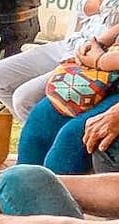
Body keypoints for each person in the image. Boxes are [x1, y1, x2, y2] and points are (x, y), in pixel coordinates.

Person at [16, 23, 119, 174]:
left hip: (109, 71)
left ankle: (52, 187)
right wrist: (97, 43)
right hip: (107, 72)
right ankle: (21, 183)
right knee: (41, 118)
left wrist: (101, 60)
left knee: (72, 137)